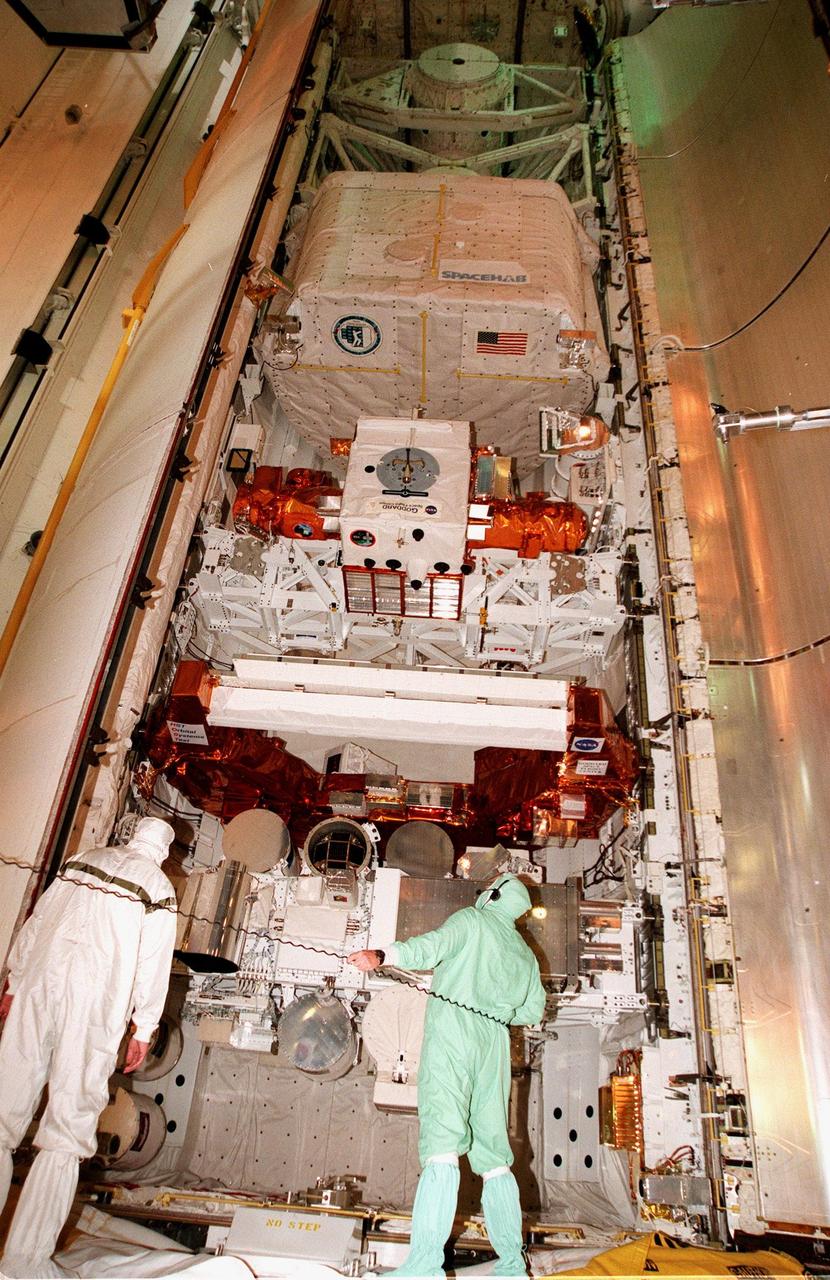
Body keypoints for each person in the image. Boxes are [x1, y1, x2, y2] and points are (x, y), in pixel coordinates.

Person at [0, 816, 178, 1278]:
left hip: (39, 986)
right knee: (68, 1127)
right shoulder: (157, 886)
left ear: (132, 836)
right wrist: (143, 1029)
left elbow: (39, 917)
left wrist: (16, 980)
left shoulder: (85, 860)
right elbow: (152, 965)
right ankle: (25, 1261)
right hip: (95, 1005)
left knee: (3, 1110)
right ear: (162, 850)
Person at [349, 872, 546, 1279]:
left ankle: (424, 1267)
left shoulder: (472, 922)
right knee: (493, 1156)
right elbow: (531, 1013)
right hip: (493, 1044)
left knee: (442, 1143)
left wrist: (382, 956)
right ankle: (511, 1265)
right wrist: (497, 1012)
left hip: (455, 1033)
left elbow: (430, 948)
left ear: (491, 896)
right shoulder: (526, 956)